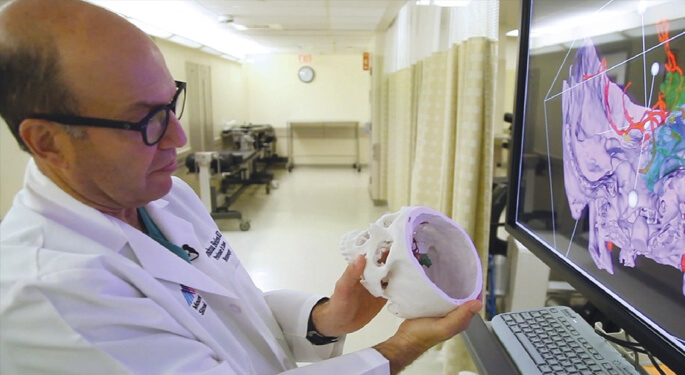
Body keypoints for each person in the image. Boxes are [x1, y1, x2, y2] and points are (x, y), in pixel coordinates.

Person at [0, 0, 482, 373]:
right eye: (146, 120)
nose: (179, 137)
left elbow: (229, 306)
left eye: (172, 103)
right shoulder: (51, 298)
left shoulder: (161, 195)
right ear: (49, 141)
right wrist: (404, 345)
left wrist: (325, 318)